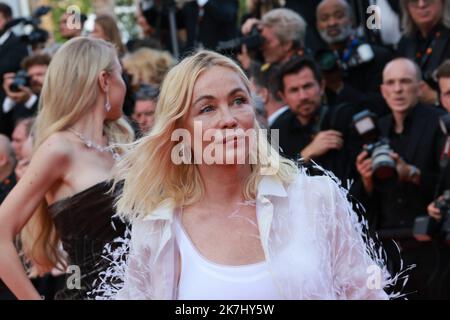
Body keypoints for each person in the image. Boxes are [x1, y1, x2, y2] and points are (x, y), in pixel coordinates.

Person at [93, 50, 400, 300]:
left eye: (238, 101)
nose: (229, 120)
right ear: (180, 130)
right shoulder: (157, 225)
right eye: (207, 109)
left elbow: (365, 294)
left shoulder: (315, 197)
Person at [0, 37, 134, 300]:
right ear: (104, 80)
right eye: (121, 74)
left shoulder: (120, 145)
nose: (125, 83)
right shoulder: (59, 148)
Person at [354, 58, 445, 299]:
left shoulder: (438, 124)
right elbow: (360, 203)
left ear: (419, 87)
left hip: (431, 246)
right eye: (391, 83)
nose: (398, 89)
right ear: (383, 91)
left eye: (405, 82)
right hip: (387, 248)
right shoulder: (374, 129)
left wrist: (411, 174)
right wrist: (366, 181)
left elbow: (445, 184)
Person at [272, 56, 360, 182]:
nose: (303, 96)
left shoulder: (345, 117)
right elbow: (272, 183)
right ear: (283, 96)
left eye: (307, 86)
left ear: (322, 86)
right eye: (294, 90)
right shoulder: (276, 130)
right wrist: (305, 155)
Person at [314, 0, 393, 117]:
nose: (332, 23)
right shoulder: (316, 63)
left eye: (339, 16)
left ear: (351, 20)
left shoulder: (378, 56)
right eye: (324, 18)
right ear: (317, 25)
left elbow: (381, 107)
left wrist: (339, 86)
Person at [397, 0, 450, 106]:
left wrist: (436, 98)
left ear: (443, 2)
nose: (421, 5)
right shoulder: (406, 42)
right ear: (406, 6)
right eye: (414, 1)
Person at [1, 54, 51, 137]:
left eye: (39, 74)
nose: (34, 79)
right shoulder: (21, 101)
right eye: (30, 76)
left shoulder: (57, 97)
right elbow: (5, 130)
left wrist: (30, 99)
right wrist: (10, 98)